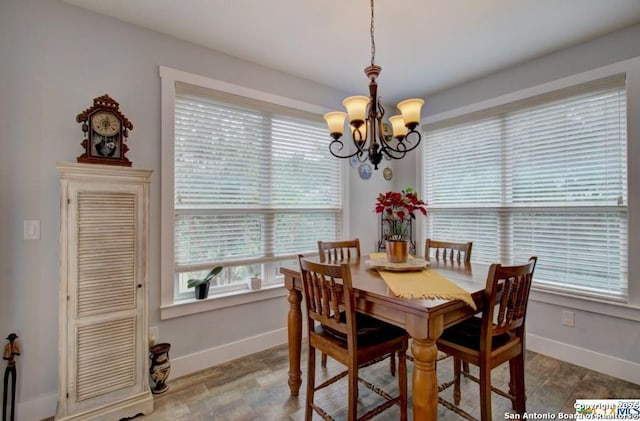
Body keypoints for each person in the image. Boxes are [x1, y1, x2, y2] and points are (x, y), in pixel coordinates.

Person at [3, 333, 20, 421]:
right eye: (11, 339)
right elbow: (3, 356)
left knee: (13, 389)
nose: (12, 341)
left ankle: (12, 418)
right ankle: (4, 417)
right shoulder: (7, 346)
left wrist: (14, 353)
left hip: (13, 366)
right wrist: (8, 358)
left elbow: (19, 353)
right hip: (8, 366)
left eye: (13, 339)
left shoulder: (16, 345)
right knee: (5, 390)